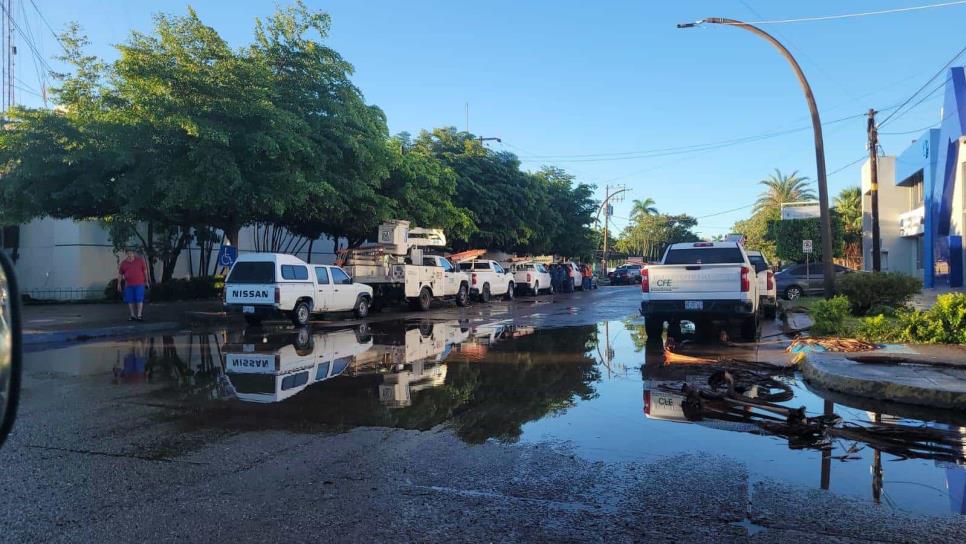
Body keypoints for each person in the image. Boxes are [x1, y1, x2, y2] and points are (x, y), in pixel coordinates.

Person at [118, 249, 149, 321]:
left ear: (134, 254)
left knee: (139, 299)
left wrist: (146, 281)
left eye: (131, 253)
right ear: (126, 254)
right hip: (128, 285)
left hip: (139, 284)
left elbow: (145, 272)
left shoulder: (140, 261)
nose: (130, 255)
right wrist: (118, 284)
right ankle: (132, 315)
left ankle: (139, 315)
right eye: (128, 253)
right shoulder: (123, 263)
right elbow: (120, 274)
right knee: (130, 300)